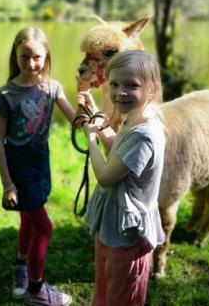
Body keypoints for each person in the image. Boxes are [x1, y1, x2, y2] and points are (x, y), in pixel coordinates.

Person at [0, 26, 75, 306]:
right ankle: (36, 290)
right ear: (15, 56)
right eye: (24, 57)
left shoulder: (52, 88)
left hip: (41, 162)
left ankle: (20, 266)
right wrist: (7, 183)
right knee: (44, 227)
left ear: (46, 56)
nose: (31, 64)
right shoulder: (6, 94)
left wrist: (88, 99)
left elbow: (74, 118)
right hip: (19, 167)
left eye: (37, 57)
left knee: (28, 219)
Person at [78, 50, 166, 306]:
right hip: (113, 226)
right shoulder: (134, 118)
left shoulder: (144, 135)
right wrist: (96, 114)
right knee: (105, 288)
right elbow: (118, 148)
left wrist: (91, 138)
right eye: (115, 84)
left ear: (153, 89)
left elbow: (106, 176)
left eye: (132, 85)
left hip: (128, 234)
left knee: (122, 298)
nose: (120, 92)